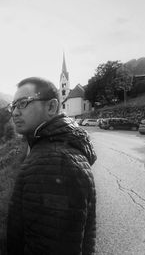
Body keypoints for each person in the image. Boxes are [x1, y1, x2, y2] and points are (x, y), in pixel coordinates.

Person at [6, 77, 97, 255]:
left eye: (23, 103)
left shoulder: (55, 162)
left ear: (51, 107)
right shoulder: (53, 149)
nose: (15, 112)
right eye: (13, 106)